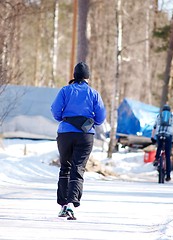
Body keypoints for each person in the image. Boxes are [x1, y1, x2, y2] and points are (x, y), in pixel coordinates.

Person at [51, 62, 106, 220]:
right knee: (78, 168)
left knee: (65, 167)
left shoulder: (65, 90)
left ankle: (62, 206)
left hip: (65, 133)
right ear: (88, 77)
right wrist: (89, 122)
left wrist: (65, 118)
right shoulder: (93, 93)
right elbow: (101, 117)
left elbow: (55, 111)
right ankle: (71, 205)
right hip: (85, 135)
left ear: (74, 75)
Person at [151, 104, 173, 181]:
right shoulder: (172, 117)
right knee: (167, 155)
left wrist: (152, 137)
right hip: (168, 136)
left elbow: (154, 127)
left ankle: (156, 159)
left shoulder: (159, 116)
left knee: (159, 146)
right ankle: (168, 175)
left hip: (159, 134)